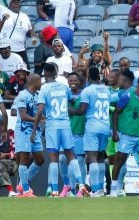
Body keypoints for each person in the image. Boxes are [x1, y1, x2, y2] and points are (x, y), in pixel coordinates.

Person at [31, 63, 89, 197]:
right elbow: (72, 102)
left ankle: (55, 190)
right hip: (65, 125)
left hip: (52, 126)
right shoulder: (64, 87)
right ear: (56, 73)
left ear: (45, 74)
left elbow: (40, 111)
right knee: (71, 156)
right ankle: (81, 184)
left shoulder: (44, 89)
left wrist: (34, 131)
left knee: (54, 159)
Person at [68, 66, 110, 197]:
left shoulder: (88, 91)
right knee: (101, 158)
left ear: (88, 78)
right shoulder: (106, 90)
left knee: (92, 158)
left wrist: (68, 109)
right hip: (105, 126)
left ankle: (96, 189)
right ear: (99, 76)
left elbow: (81, 110)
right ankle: (101, 189)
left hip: (92, 127)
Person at [14, 74, 44, 197]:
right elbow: (23, 116)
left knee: (40, 159)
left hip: (34, 131)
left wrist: (41, 117)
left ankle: (22, 184)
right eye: (40, 81)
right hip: (23, 131)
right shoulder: (22, 95)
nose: (41, 84)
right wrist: (37, 120)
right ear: (35, 82)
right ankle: (26, 190)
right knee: (24, 159)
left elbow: (36, 113)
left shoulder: (37, 96)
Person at [0, 0, 34, 67]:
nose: (17, 4)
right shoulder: (4, 11)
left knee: (25, 73)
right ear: (9, 4)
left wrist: (32, 34)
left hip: (21, 50)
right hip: (5, 50)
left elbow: (30, 32)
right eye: (14, 2)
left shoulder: (25, 16)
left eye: (18, 2)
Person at [67, 72, 87, 197]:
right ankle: (72, 189)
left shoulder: (84, 95)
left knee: (80, 160)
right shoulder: (64, 95)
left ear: (79, 82)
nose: (73, 82)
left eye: (75, 80)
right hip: (67, 132)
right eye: (70, 80)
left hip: (81, 132)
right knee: (69, 161)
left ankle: (82, 187)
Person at [0, 116, 18, 197]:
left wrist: (6, 155)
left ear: (0, 122)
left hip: (13, 163)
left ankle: (11, 192)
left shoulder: (10, 134)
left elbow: (17, 153)